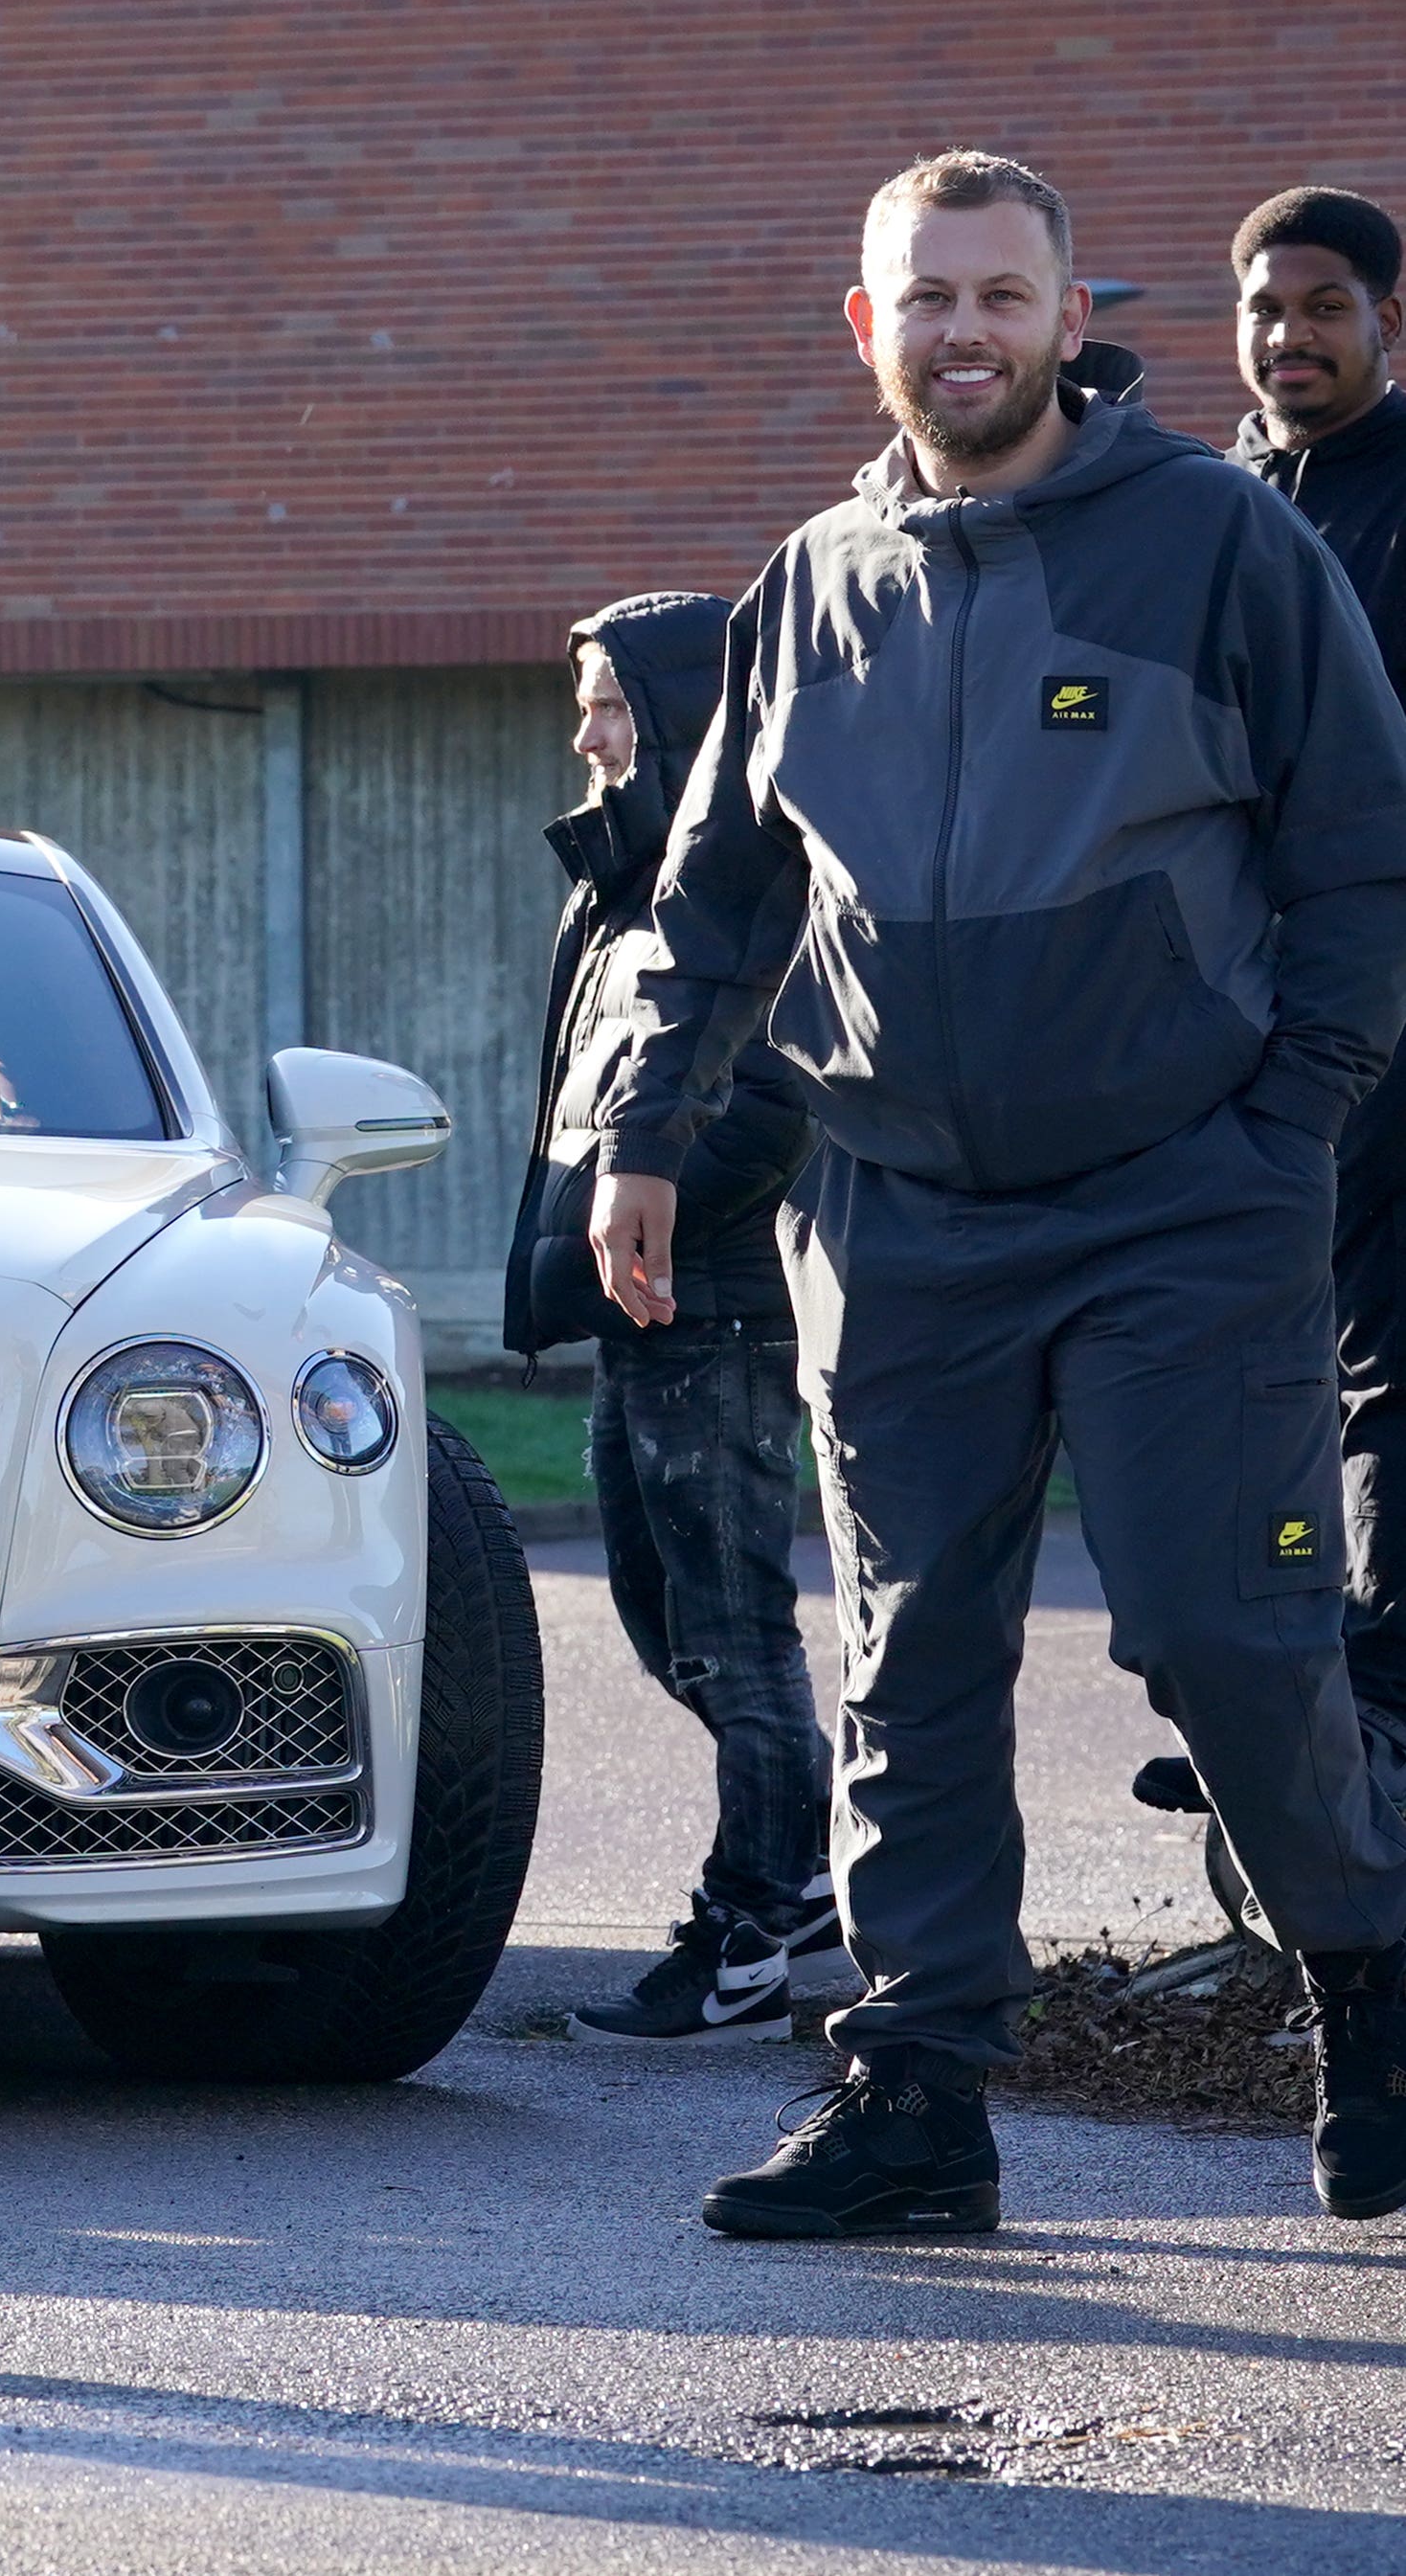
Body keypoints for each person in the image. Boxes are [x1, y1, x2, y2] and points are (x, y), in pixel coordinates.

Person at [593, 151, 1406, 2236]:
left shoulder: (1216, 542)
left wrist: (1289, 1125)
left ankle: (1371, 1976)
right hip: (902, 1213)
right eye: (923, 298)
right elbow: (713, 890)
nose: (962, 330)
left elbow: (1360, 853)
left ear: (1064, 315)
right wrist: (647, 1135)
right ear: (868, 330)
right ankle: (918, 2091)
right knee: (913, 1653)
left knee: (1228, 1632)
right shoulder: (812, 581)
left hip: (1184, 1199)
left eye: (999, 293)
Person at [500, 592, 830, 2041]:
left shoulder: (756, 898)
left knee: (730, 1627)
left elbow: (771, 1102)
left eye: (610, 706)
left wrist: (646, 1210)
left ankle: (756, 1923)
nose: (584, 734)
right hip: (637, 1308)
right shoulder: (624, 886)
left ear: (684, 719)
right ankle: (803, 1877)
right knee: (661, 1619)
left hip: (724, 1312)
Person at [1225, 187, 1406, 1797]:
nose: (1288, 335)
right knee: (1241, 1361)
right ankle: (1275, 1703)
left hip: (1382, 1020)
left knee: (1385, 1366)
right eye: (1265, 307)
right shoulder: (1210, 508)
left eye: (1321, 307)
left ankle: (1380, 1698)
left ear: (1382, 324)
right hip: (1225, 1029)